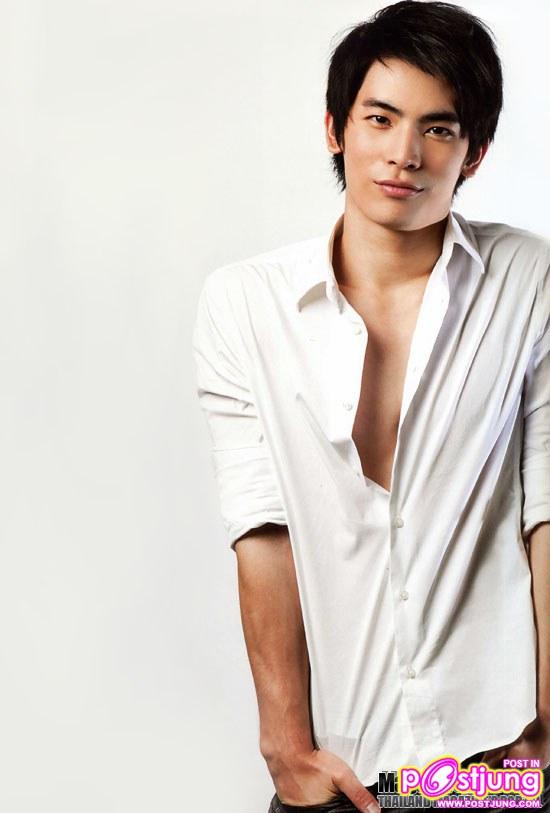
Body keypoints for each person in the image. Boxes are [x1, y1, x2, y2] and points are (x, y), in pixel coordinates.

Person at [192, 2, 550, 811]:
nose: (404, 154)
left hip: (501, 760)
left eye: (438, 128)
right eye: (380, 119)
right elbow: (262, 529)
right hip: (347, 771)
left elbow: (548, 511)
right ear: (335, 128)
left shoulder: (529, 279)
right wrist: (285, 746)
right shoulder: (245, 305)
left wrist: (547, 728)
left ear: (474, 152)